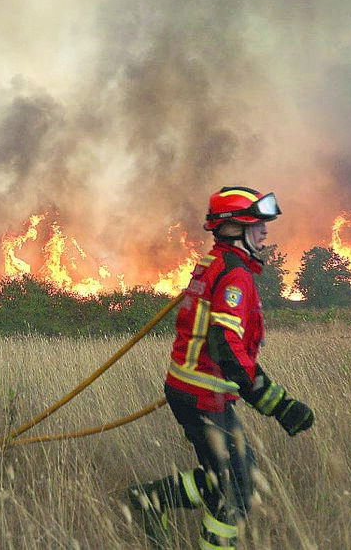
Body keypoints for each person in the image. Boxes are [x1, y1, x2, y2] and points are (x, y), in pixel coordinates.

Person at [127, 187, 315, 549]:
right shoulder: (234, 275)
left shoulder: (216, 264)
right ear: (234, 228)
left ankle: (152, 499)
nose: (265, 231)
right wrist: (278, 404)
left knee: (224, 477)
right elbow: (226, 347)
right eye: (257, 224)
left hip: (193, 391)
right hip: (202, 395)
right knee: (239, 490)